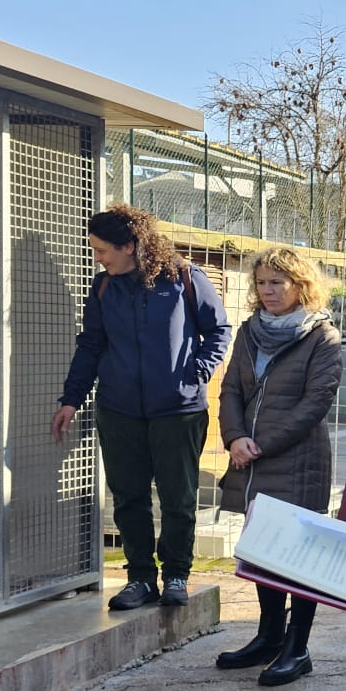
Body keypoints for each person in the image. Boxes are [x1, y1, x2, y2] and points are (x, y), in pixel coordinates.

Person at [53, 204, 230, 611]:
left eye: (102, 250)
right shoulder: (102, 288)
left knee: (177, 497)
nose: (98, 258)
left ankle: (177, 576)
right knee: (128, 496)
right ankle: (139, 579)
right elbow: (91, 346)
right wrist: (71, 399)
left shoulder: (185, 278)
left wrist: (194, 374)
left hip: (178, 409)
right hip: (118, 410)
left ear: (129, 245)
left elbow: (218, 331)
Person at [213, 247, 342, 686]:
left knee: (298, 560)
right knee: (263, 553)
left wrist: (259, 444)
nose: (268, 291)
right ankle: (268, 637)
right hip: (251, 457)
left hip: (297, 462)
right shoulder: (249, 331)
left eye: (277, 283)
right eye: (262, 283)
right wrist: (233, 437)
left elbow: (315, 403)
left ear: (300, 286)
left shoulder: (322, 336)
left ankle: (298, 647)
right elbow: (230, 388)